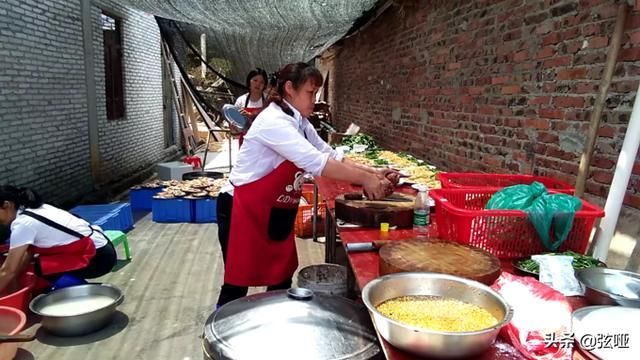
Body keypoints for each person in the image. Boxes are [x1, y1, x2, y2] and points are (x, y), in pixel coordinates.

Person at [216, 62, 399, 306]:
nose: (314, 100)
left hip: (275, 209)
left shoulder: (300, 122)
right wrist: (366, 180)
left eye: (316, 94)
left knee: (280, 276)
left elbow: (330, 154)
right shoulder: (274, 122)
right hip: (241, 209)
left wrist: (374, 172)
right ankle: (220, 333)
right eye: (310, 93)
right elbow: (316, 162)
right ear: (290, 89)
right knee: (237, 283)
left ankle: (275, 322)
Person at [0, 186, 117, 293]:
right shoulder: (34, 208)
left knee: (41, 269)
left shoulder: (22, 223)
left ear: (7, 205)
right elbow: (25, 256)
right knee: (33, 266)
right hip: (102, 246)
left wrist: (12, 275)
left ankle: (81, 293)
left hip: (98, 258)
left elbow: (8, 270)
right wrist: (15, 276)